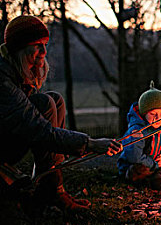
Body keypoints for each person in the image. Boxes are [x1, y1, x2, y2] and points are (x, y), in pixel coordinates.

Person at [0, 15, 122, 212]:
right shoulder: (3, 80)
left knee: (54, 99)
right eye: (38, 45)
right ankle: (52, 190)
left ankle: (52, 187)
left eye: (45, 45)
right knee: (45, 103)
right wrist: (90, 143)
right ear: (21, 48)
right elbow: (39, 130)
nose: (44, 52)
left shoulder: (16, 71)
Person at [117, 81, 161, 191]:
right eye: (153, 114)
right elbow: (135, 157)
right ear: (144, 113)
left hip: (157, 164)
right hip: (140, 164)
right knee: (138, 170)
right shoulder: (137, 131)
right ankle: (159, 178)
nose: (158, 118)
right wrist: (154, 163)